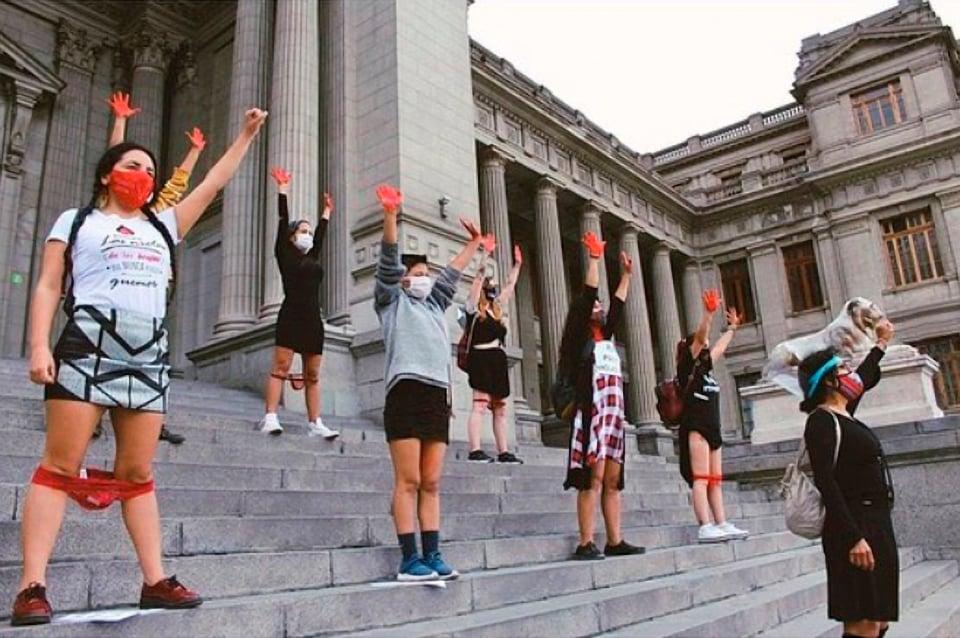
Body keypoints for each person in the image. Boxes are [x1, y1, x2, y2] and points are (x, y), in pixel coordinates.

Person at [11, 108, 267, 626]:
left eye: (150, 172)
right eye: (133, 165)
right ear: (108, 173)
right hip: (86, 339)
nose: (144, 177)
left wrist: (243, 135)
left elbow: (215, 181)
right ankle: (32, 585)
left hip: (147, 349)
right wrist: (39, 346)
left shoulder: (163, 224)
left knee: (137, 471)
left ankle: (155, 580)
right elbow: (46, 286)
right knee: (60, 466)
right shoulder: (76, 220)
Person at [374, 183, 483, 581]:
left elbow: (451, 276)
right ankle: (409, 559)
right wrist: (390, 216)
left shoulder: (436, 305)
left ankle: (433, 554)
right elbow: (387, 263)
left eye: (426, 274)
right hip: (405, 392)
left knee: (432, 481)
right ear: (404, 279)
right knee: (409, 479)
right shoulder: (391, 301)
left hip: (437, 395)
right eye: (418, 274)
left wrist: (473, 245)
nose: (424, 279)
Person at [105, 91, 205, 447]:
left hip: (155, 294)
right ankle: (94, 413)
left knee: (154, 357)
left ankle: (152, 420)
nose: (143, 179)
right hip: (113, 291)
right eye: (137, 172)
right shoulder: (110, 211)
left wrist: (194, 153)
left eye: (149, 174)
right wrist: (120, 122)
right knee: (106, 350)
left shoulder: (159, 213)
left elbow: (178, 186)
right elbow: (112, 162)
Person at [799, 319, 896, 638]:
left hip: (877, 523)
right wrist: (854, 537)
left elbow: (864, 377)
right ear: (828, 381)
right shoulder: (821, 422)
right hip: (853, 528)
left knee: (878, 621)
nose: (849, 373)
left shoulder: (845, 411)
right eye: (842, 369)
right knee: (862, 623)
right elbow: (827, 482)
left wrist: (880, 344)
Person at [560, 231, 644, 560]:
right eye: (595, 305)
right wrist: (595, 260)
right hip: (590, 413)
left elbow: (619, 307)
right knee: (591, 478)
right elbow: (588, 294)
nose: (598, 306)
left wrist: (626, 276)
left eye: (599, 306)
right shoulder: (576, 336)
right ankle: (585, 542)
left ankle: (615, 539)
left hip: (613, 417)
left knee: (612, 480)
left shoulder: (605, 336)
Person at [258, 167, 338, 439]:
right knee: (280, 368)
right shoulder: (285, 253)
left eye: (309, 230)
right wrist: (282, 190)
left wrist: (326, 212)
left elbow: (322, 235)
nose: (308, 234)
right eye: (302, 231)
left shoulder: (313, 256)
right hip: (290, 315)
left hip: (313, 320)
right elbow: (282, 221)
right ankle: (270, 416)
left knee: (312, 374)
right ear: (292, 237)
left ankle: (315, 422)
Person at [677, 289, 749, 543]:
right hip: (696, 427)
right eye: (701, 345)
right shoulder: (688, 366)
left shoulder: (706, 368)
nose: (706, 345)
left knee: (715, 480)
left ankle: (721, 522)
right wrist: (708, 315)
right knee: (701, 478)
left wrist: (732, 329)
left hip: (713, 428)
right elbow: (701, 338)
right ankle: (705, 524)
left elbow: (718, 347)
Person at [463, 237, 523, 464]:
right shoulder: (473, 309)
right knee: (479, 404)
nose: (490, 289)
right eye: (487, 287)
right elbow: (477, 276)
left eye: (491, 287)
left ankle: (504, 451)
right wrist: (485, 254)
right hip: (481, 357)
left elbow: (509, 287)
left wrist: (517, 266)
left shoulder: (496, 309)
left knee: (499, 407)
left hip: (497, 359)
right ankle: (475, 449)